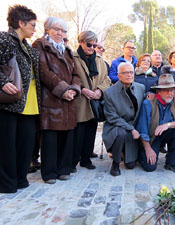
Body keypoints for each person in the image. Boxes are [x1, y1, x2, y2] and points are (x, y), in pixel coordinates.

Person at [33, 17, 81, 184]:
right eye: (56, 29)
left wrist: (74, 90)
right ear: (47, 29)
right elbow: (43, 71)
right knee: (50, 139)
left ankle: (64, 169)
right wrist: (63, 90)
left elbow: (76, 74)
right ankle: (49, 173)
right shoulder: (39, 45)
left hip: (69, 101)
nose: (60, 33)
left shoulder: (67, 50)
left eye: (63, 30)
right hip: (51, 99)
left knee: (67, 137)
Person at [0, 5, 40, 193]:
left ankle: (20, 179)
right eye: (32, 24)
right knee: (7, 146)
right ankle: (7, 184)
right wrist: (2, 82)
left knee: (25, 145)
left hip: (29, 104)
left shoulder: (27, 46)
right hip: (9, 103)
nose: (34, 28)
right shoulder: (4, 39)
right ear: (20, 23)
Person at [72, 31, 111, 171]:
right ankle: (73, 161)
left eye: (94, 45)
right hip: (80, 101)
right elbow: (69, 77)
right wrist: (82, 89)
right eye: (89, 44)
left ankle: (86, 159)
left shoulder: (100, 60)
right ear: (81, 42)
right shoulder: (72, 57)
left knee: (91, 132)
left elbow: (107, 79)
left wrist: (100, 90)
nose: (92, 47)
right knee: (78, 133)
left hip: (95, 102)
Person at [137, 74, 175, 173]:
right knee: (150, 167)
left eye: (172, 90)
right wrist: (148, 148)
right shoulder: (148, 103)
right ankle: (140, 154)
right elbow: (142, 129)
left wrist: (167, 125)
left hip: (168, 132)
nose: (170, 93)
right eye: (166, 90)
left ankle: (171, 163)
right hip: (152, 137)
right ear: (158, 91)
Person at [103, 62, 145, 176]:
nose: (129, 75)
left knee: (131, 165)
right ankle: (115, 163)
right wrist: (131, 129)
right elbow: (112, 117)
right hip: (116, 126)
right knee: (121, 133)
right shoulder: (109, 93)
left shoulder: (141, 88)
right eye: (125, 73)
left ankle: (124, 152)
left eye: (131, 72)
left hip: (134, 128)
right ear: (118, 75)